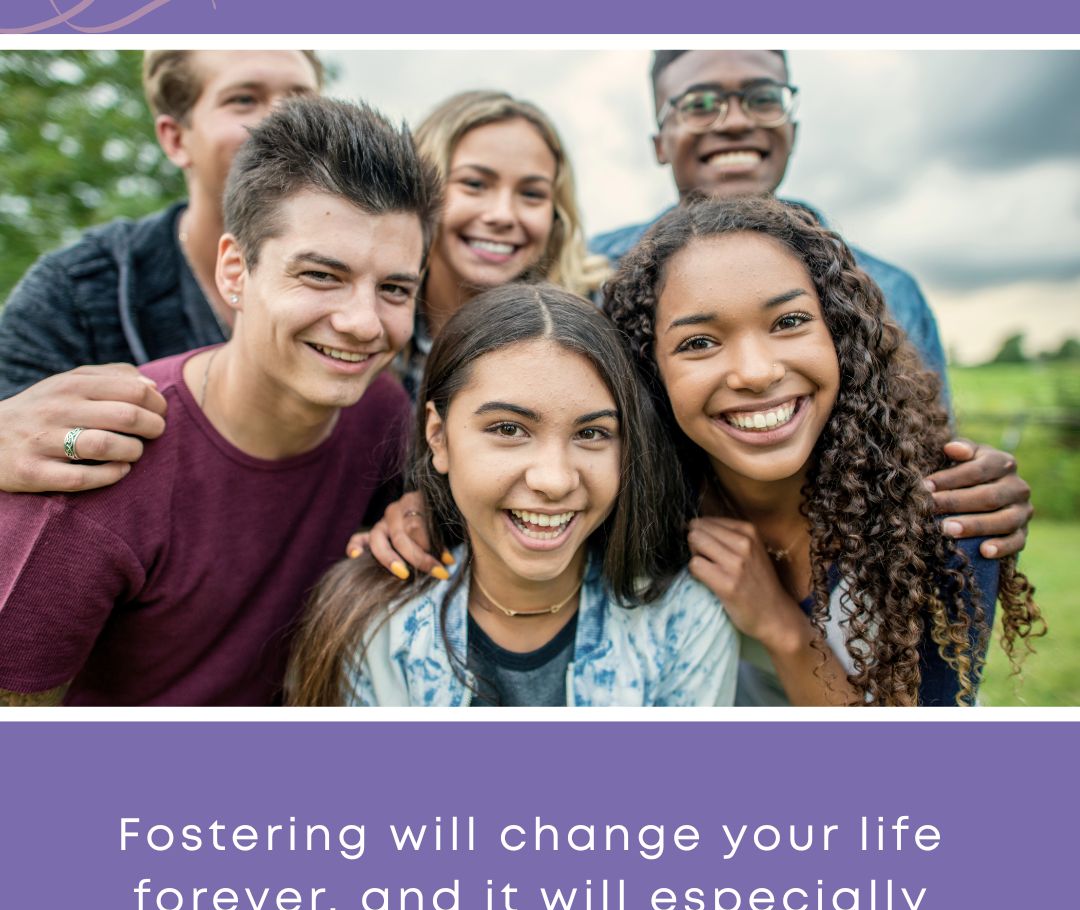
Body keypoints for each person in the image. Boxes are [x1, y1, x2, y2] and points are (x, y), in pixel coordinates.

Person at [0, 97, 440, 706]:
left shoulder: (381, 416)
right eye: (320, 275)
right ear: (235, 271)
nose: (364, 323)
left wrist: (413, 514)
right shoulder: (100, 464)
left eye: (394, 288)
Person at [589, 49, 1033, 560]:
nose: (734, 120)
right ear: (659, 142)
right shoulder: (595, 275)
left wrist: (974, 499)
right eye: (699, 103)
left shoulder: (888, 289)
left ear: (792, 129)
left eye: (762, 98)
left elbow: (914, 458)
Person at [602, 196, 1043, 705]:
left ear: (840, 334)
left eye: (788, 321)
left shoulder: (939, 520)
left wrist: (782, 627)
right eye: (699, 342)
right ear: (649, 370)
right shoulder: (647, 509)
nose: (756, 372)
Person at [286, 283, 738, 707]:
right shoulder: (374, 624)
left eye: (592, 433)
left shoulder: (683, 623)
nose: (555, 480)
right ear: (439, 436)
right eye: (509, 429)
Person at [0, 49, 323, 494]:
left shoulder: (379, 288)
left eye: (301, 99)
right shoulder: (79, 293)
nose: (283, 123)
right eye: (244, 99)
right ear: (174, 138)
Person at [392, 90, 607, 400]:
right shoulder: (372, 322)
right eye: (475, 184)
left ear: (557, 212)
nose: (503, 215)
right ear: (421, 191)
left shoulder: (602, 321)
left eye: (532, 194)